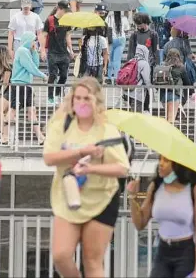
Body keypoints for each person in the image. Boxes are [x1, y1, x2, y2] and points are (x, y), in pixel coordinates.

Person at [43, 77, 130, 278]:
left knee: (92, 261)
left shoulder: (106, 129)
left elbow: (121, 168)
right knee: (61, 255)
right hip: (69, 197)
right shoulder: (62, 124)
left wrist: (91, 169)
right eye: (78, 98)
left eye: (86, 98)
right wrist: (82, 152)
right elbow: (49, 158)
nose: (81, 102)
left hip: (102, 197)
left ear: (96, 101)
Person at [126, 157, 196, 278]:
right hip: (163, 250)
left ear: (178, 165)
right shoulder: (155, 186)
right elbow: (140, 223)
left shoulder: (195, 189)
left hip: (186, 251)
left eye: (166, 160)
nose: (160, 163)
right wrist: (132, 197)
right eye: (160, 159)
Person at [1, 32, 47, 145]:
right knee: (13, 110)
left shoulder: (27, 51)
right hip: (19, 85)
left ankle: (40, 137)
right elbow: (31, 67)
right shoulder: (22, 51)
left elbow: (35, 65)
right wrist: (43, 75)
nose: (34, 43)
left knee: (32, 111)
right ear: (28, 40)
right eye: (33, 41)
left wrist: (35, 51)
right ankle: (4, 136)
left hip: (26, 85)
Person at [39, 0, 74, 106]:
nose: (66, 12)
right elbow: (43, 36)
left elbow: (68, 36)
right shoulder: (49, 20)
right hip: (52, 53)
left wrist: (71, 50)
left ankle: (57, 93)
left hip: (64, 53)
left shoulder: (67, 20)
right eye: (65, 10)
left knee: (64, 76)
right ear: (59, 9)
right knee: (53, 75)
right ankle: (50, 98)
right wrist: (43, 50)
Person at [159, 48, 192, 124]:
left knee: (168, 118)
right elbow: (187, 82)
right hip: (175, 95)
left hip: (163, 95)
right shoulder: (181, 67)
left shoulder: (163, 65)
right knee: (171, 120)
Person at [124, 44, 152, 113]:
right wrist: (150, 89)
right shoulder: (144, 64)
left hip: (128, 92)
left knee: (133, 113)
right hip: (138, 93)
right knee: (137, 115)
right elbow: (146, 80)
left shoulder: (131, 61)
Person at [0, 45, 13, 142]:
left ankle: (2, 133)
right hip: (6, 92)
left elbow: (5, 83)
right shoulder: (4, 67)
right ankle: (6, 134)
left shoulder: (8, 66)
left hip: (9, 92)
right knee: (4, 112)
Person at [106, 10, 130, 82]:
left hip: (111, 39)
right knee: (117, 60)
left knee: (110, 59)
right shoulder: (124, 18)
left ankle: (109, 77)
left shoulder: (109, 18)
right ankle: (117, 77)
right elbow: (127, 29)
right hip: (121, 39)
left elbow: (106, 28)